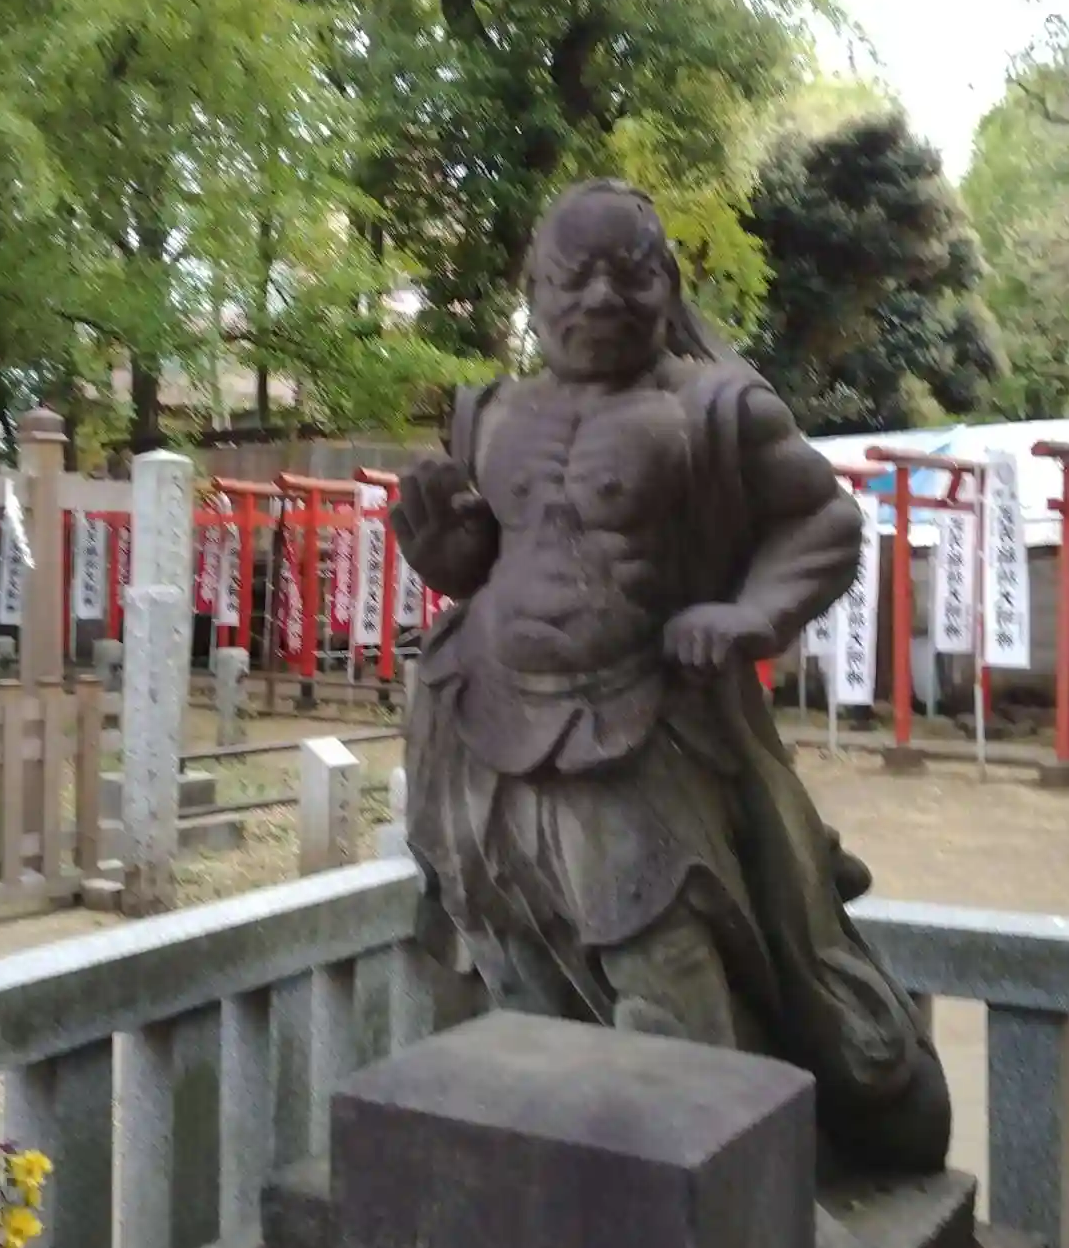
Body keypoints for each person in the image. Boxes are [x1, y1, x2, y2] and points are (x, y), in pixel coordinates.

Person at [392, 178, 949, 1179]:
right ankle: (551, 1168)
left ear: (670, 285)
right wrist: (447, 557)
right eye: (575, 276)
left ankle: (732, 1195)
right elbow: (499, 555)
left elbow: (823, 521)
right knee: (510, 951)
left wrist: (751, 614)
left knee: (663, 963)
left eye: (631, 273)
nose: (601, 298)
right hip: (480, 720)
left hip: (638, 724)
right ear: (532, 288)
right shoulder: (492, 412)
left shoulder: (716, 407)